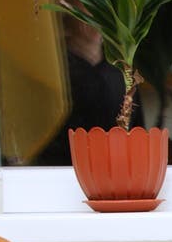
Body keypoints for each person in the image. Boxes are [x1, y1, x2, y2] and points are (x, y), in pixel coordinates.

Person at [35, 17, 145, 165]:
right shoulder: (53, 72)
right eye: (85, 4)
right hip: (63, 175)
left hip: (119, 176)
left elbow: (139, 135)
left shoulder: (121, 73)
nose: (94, 17)